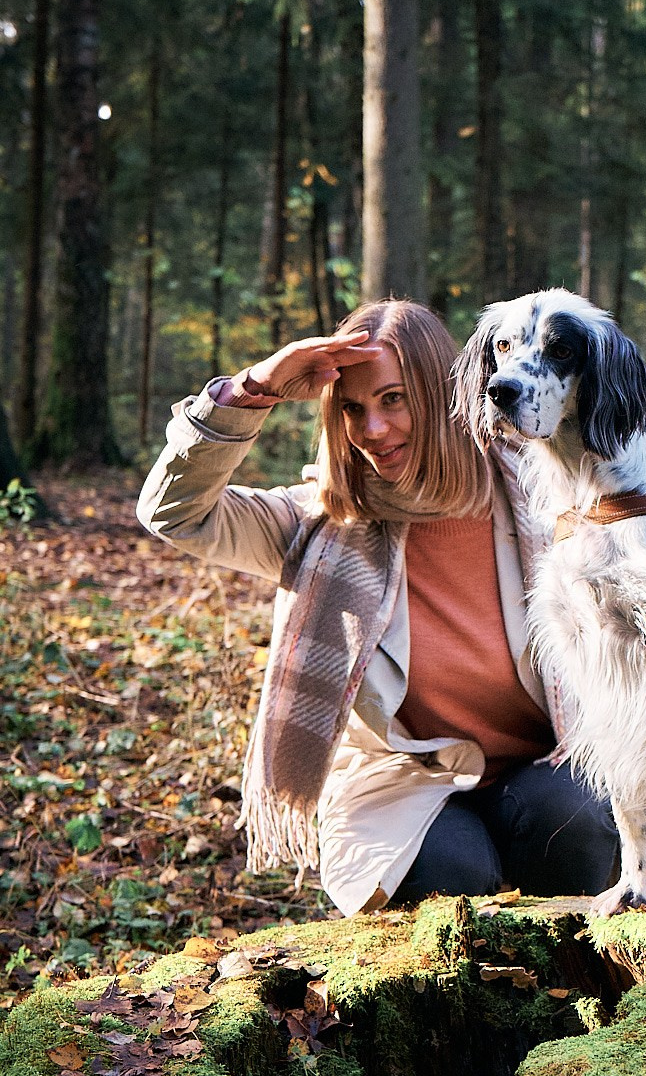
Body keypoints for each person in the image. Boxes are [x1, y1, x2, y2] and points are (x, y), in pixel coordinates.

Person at [136, 299, 620, 916]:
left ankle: (578, 994)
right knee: (453, 880)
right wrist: (252, 389)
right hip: (402, 786)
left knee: (575, 819)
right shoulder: (319, 523)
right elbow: (173, 514)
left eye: (393, 400)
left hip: (543, 763)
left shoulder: (541, 495)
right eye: (353, 409)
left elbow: (638, 569)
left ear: (446, 393)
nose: (373, 430)